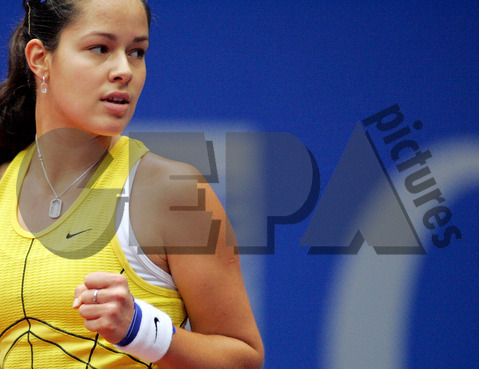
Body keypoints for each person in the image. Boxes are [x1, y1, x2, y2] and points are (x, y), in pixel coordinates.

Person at [0, 0, 264, 368]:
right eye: (100, 49)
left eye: (137, 52)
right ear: (40, 58)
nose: (124, 70)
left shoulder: (174, 192)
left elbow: (244, 359)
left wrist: (142, 331)